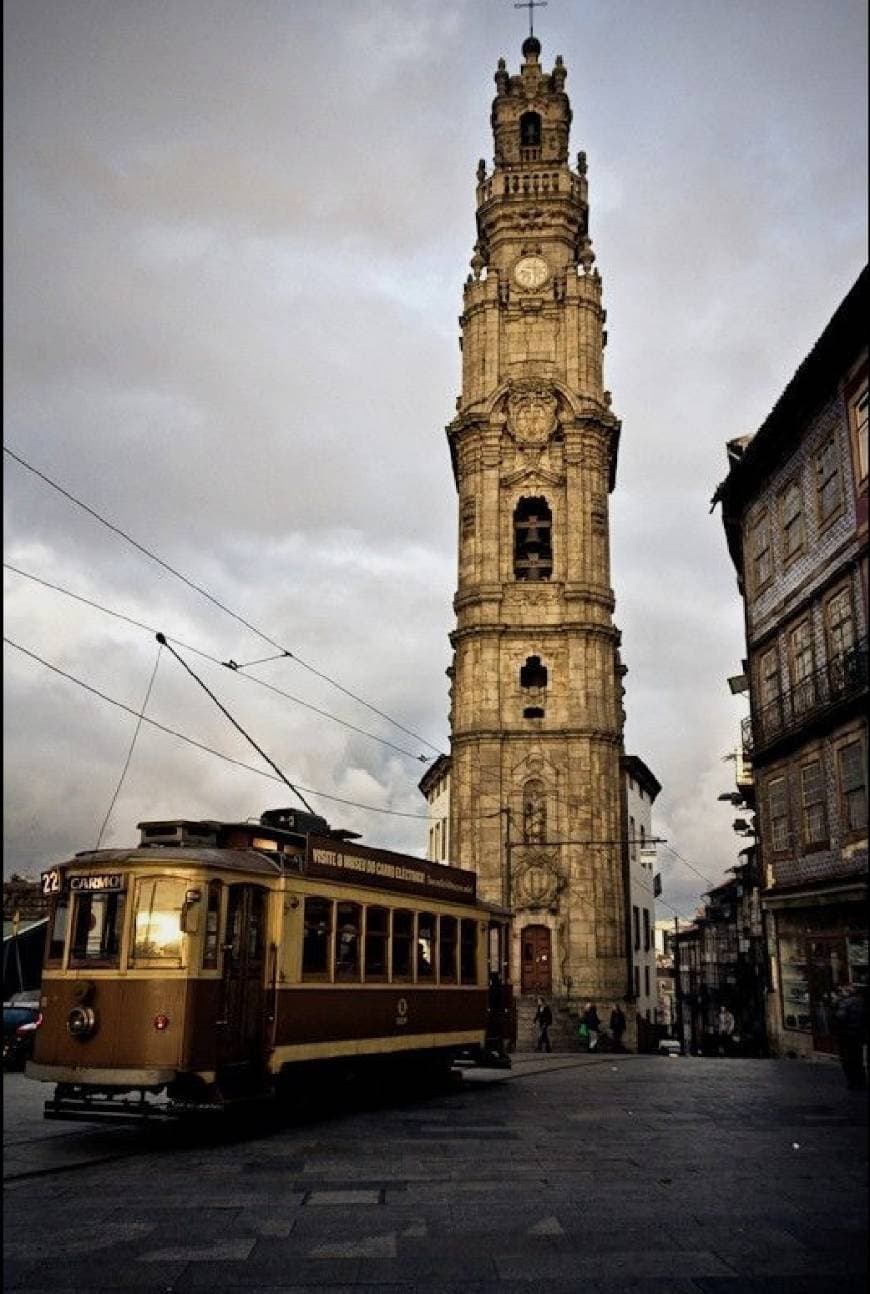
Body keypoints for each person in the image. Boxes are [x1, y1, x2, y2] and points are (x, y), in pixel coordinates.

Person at [832, 985, 867, 1091]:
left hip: (846, 1036)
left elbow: (839, 1018)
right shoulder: (861, 1002)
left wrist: (835, 1003)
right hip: (859, 1035)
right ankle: (861, 1081)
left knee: (847, 1060)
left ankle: (852, 1082)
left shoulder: (845, 1003)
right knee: (858, 1058)